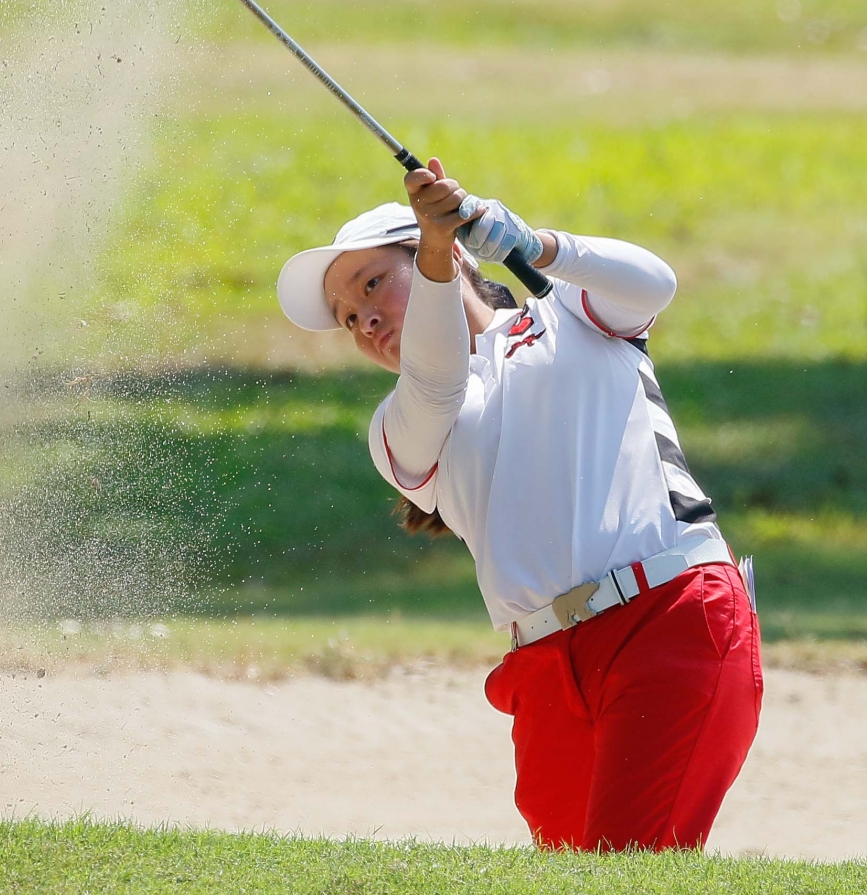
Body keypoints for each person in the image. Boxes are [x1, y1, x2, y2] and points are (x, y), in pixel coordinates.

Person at [276, 158, 762, 852]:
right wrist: (438, 252)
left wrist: (533, 245)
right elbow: (439, 377)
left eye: (374, 282)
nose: (366, 318)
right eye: (350, 317)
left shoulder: (569, 314)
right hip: (544, 668)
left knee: (624, 882)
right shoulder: (398, 428)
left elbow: (655, 282)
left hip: (670, 620)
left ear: (436, 253)